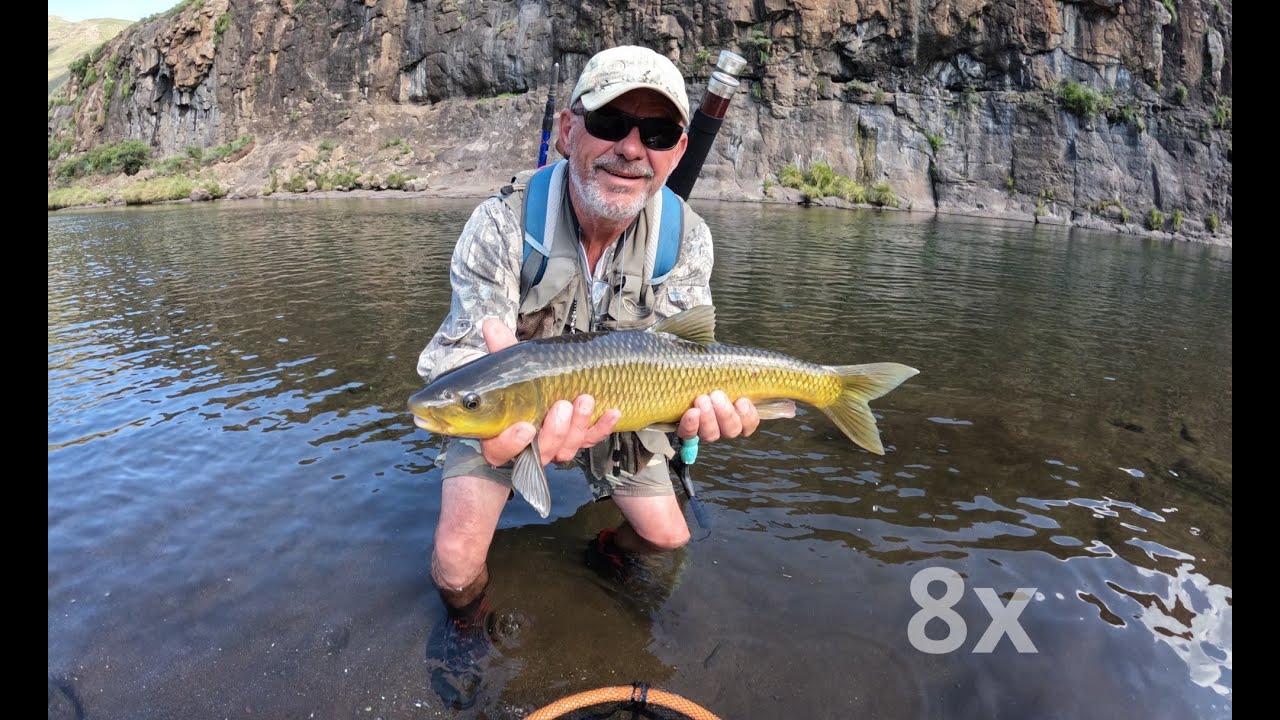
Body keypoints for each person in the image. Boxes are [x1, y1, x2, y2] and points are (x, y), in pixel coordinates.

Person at [416, 45, 759, 706]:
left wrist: (706, 414)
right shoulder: (499, 225)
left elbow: (689, 359)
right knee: (457, 561)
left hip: (632, 399)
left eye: (656, 134)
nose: (631, 148)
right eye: (610, 124)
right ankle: (463, 628)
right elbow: (464, 357)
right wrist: (496, 438)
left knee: (667, 538)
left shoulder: (688, 239)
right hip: (506, 402)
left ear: (677, 151)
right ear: (570, 131)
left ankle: (604, 551)